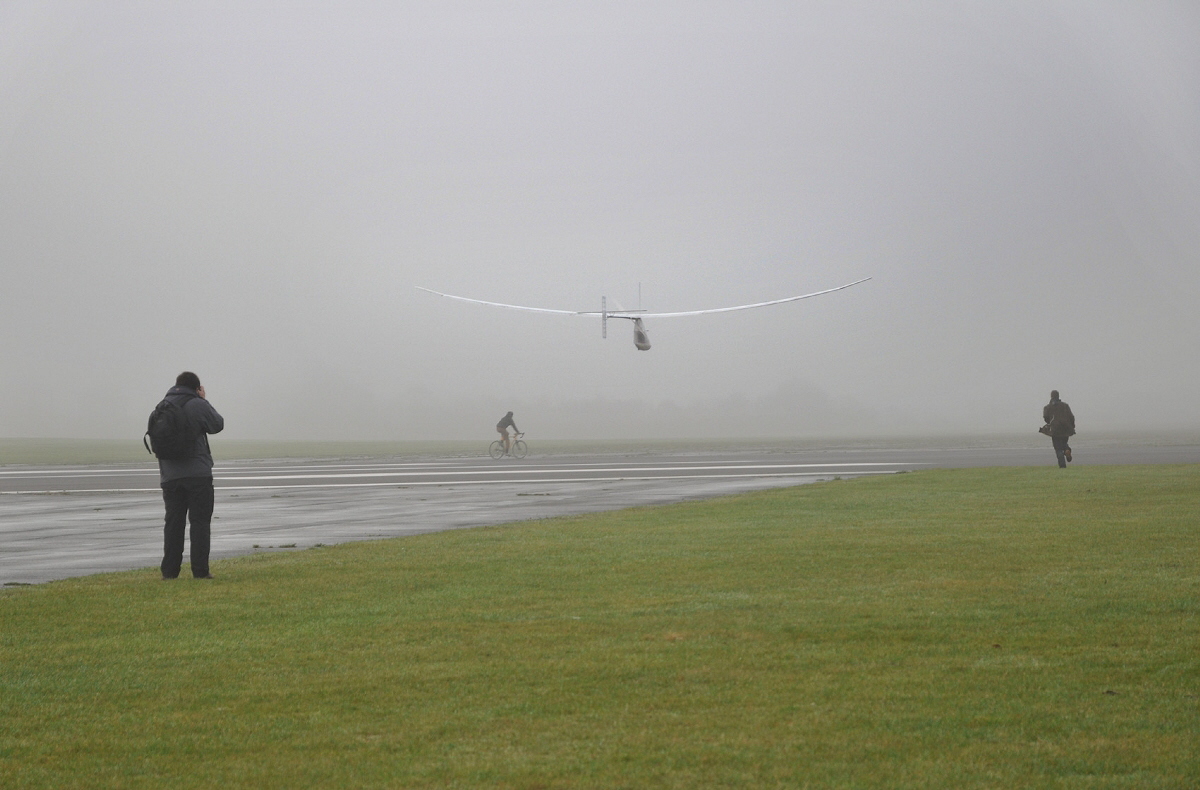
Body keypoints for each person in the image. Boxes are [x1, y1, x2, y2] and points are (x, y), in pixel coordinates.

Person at [158, 372, 224, 579]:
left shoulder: (163, 405)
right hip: (197, 474)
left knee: (173, 524)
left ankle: (169, 572)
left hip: (169, 475)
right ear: (196, 388)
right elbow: (217, 424)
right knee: (200, 522)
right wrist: (203, 400)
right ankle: (200, 571)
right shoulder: (197, 404)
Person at [1042, 390, 1076, 469]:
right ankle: (1067, 450)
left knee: (1058, 448)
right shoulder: (1065, 406)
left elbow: (1046, 418)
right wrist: (1072, 426)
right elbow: (1071, 417)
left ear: (1051, 396)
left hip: (1055, 429)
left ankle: (1062, 466)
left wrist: (1050, 423)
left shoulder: (1047, 407)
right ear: (1058, 396)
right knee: (1064, 443)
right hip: (1066, 428)